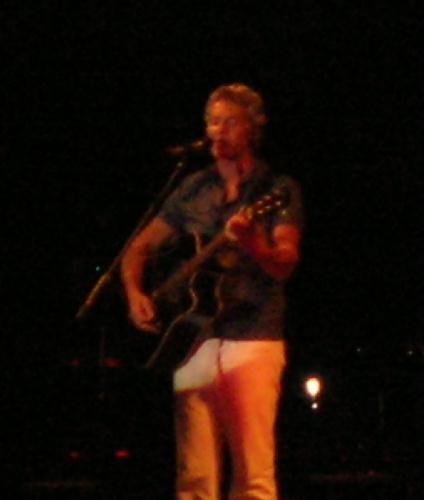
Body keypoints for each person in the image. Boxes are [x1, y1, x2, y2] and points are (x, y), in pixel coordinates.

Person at [121, 83, 303, 499]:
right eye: (213, 122)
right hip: (192, 341)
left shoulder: (277, 188)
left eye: (230, 122)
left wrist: (255, 244)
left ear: (253, 127)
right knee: (194, 477)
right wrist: (135, 293)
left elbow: (286, 260)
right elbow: (138, 247)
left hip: (252, 338)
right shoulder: (193, 188)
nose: (219, 131)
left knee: (253, 476)